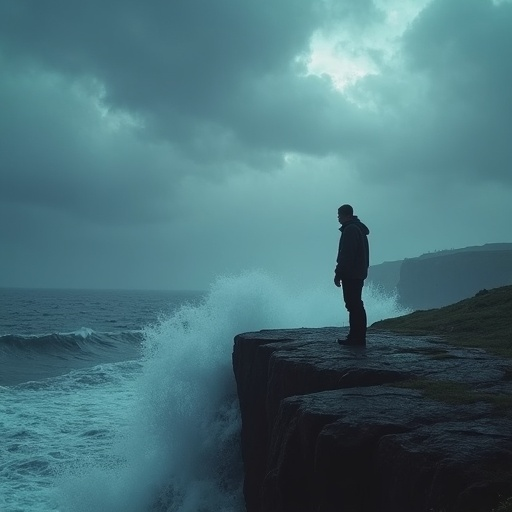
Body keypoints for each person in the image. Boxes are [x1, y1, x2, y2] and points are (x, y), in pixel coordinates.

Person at [334, 204, 370, 346]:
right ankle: (356, 336)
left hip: (351, 274)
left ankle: (356, 338)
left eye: (339, 215)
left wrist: (338, 273)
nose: (338, 218)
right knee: (355, 305)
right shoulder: (357, 229)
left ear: (347, 215)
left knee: (353, 305)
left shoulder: (350, 230)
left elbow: (346, 255)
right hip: (357, 272)